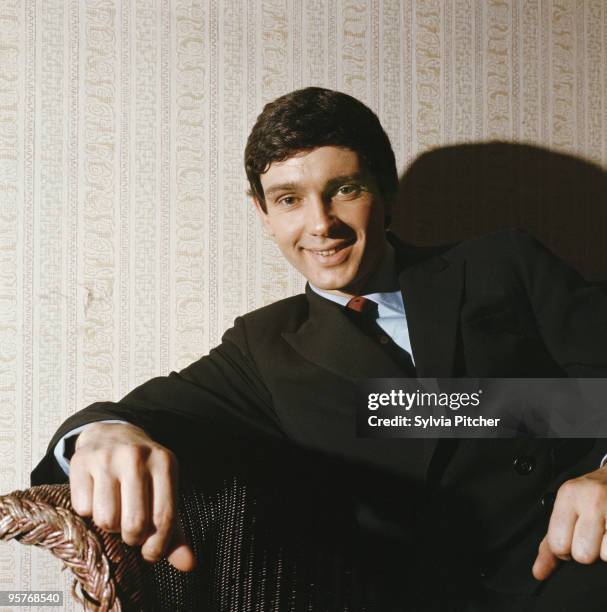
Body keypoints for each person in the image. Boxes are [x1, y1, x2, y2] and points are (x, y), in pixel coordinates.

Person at [32, 87, 607, 610]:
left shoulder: (501, 265)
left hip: (580, 567)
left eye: (344, 190)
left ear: (385, 190)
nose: (321, 224)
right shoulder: (262, 347)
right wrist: (103, 434)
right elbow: (142, 413)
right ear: (262, 213)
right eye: (288, 200)